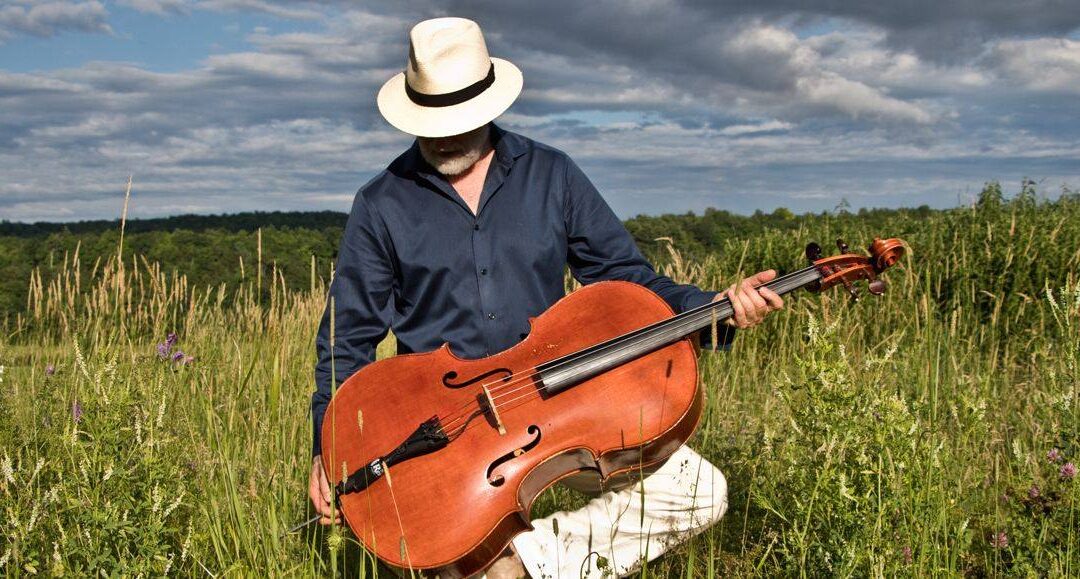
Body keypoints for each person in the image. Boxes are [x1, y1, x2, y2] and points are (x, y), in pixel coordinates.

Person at [308, 17, 783, 578]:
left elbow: (629, 282)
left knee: (700, 492)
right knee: (428, 552)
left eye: (457, 120)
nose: (443, 136)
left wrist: (716, 306)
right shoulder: (382, 203)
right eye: (431, 121)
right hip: (445, 434)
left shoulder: (552, 175)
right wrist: (329, 444)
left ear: (488, 106)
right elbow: (347, 339)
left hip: (558, 406)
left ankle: (528, 560)